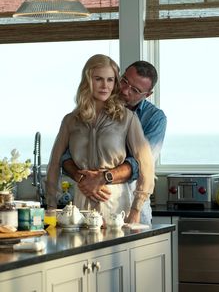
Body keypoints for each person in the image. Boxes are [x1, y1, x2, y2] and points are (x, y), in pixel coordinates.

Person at [45, 54, 155, 224]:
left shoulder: (127, 118)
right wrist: (51, 207)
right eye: (98, 79)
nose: (105, 86)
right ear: (88, 81)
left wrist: (136, 209)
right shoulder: (70, 120)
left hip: (116, 207)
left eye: (110, 80)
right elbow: (54, 163)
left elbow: (146, 166)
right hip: (81, 205)